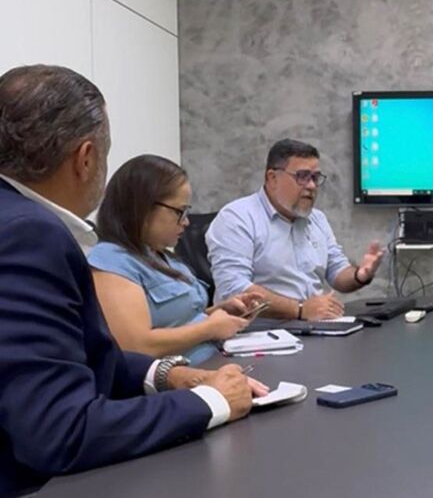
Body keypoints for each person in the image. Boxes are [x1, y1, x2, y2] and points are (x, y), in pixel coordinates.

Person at [0, 64, 268, 497]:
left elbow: (81, 356)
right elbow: (60, 432)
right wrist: (211, 401)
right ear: (86, 158)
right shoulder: (29, 235)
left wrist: (168, 375)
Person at [89, 154, 264, 365]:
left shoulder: (162, 256)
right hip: (182, 376)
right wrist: (209, 328)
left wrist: (220, 312)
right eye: (179, 212)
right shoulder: (111, 261)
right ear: (143, 207)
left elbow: (179, 321)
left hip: (216, 360)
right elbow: (136, 346)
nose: (186, 222)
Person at [206, 139, 384, 321]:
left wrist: (360, 275)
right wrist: (299, 309)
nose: (312, 186)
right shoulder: (237, 218)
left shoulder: (317, 219)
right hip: (257, 331)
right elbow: (233, 289)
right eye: (302, 176)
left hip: (313, 327)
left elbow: (337, 272)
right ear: (272, 178)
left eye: (315, 177)